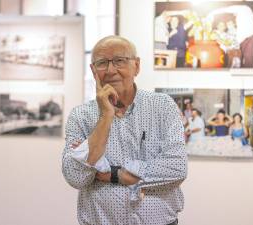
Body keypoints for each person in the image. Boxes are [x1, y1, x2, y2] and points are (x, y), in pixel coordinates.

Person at [62, 36, 187, 225]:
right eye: (102, 63)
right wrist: (105, 116)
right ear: (93, 70)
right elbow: (75, 176)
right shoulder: (81, 116)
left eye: (120, 61)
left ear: (136, 66)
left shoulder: (162, 106)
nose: (111, 70)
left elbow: (177, 168)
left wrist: (112, 174)